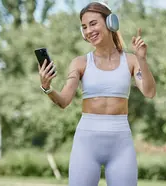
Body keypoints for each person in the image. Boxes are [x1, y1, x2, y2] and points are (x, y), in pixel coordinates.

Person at [37, 2, 156, 186]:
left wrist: (141, 59)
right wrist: (47, 87)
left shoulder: (131, 61)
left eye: (93, 23)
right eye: (84, 27)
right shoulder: (80, 63)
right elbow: (64, 101)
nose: (88, 31)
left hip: (121, 144)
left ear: (110, 23)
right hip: (86, 144)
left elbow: (149, 92)